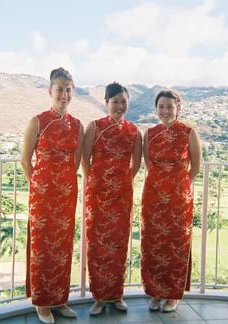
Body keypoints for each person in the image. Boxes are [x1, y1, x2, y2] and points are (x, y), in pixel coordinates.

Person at [21, 67, 84, 324]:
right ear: (50, 91)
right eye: (59, 89)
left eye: (68, 89)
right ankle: (42, 302)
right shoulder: (37, 121)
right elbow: (26, 162)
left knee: (63, 246)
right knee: (42, 247)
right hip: (42, 194)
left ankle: (60, 299)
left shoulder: (77, 125)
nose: (64, 94)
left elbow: (76, 162)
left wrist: (64, 186)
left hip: (67, 194)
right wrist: (39, 187)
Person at [82, 82, 142, 315]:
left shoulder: (134, 130)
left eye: (123, 101)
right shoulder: (94, 127)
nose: (119, 106)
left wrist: (124, 181)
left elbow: (136, 163)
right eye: (115, 101)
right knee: (97, 244)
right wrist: (96, 182)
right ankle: (98, 297)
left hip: (122, 194)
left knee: (119, 244)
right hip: (97, 193)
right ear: (106, 102)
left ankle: (116, 295)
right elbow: (85, 159)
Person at [141, 90, 201, 312]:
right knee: (153, 244)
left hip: (178, 198)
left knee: (176, 244)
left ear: (178, 107)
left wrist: (179, 186)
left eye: (169, 106)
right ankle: (155, 292)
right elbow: (149, 165)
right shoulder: (150, 133)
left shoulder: (188, 132)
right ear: (156, 109)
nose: (165, 111)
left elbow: (195, 167)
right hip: (153, 196)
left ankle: (173, 294)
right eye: (161, 107)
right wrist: (160, 185)